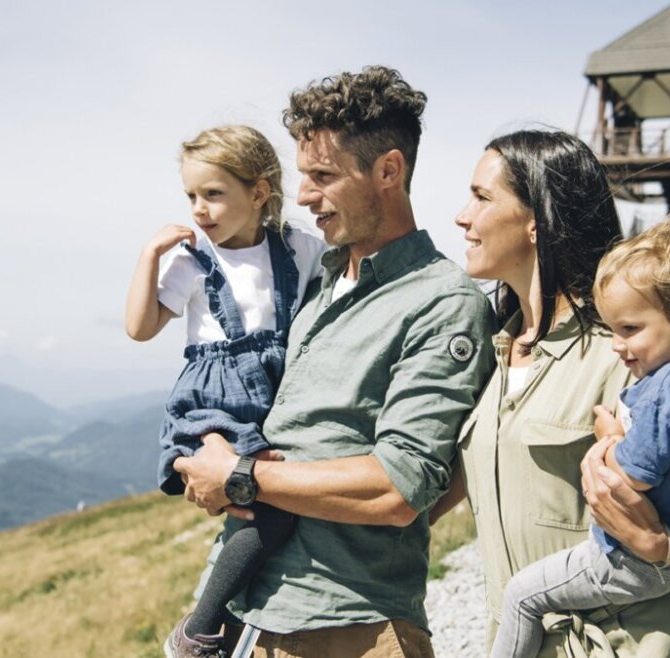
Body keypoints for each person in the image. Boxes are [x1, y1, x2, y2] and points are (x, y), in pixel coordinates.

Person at [431, 129, 670, 658]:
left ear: (538, 219)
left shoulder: (635, 355)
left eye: (482, 197)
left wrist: (667, 547)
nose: (462, 216)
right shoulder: (499, 347)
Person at [171, 65, 496, 657]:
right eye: (302, 175)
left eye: (323, 175)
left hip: (349, 625)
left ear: (388, 172)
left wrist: (240, 477)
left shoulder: (442, 302)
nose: (302, 196)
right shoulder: (315, 281)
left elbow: (402, 487)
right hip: (249, 615)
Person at [490, 220, 670, 658]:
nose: (616, 345)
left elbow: (635, 476)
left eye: (629, 329)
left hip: (632, 561)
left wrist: (610, 439)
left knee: (522, 596)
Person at [124, 125, 328, 657]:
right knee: (273, 509)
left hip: (275, 400)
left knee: (281, 504)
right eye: (192, 196)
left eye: (213, 194)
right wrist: (150, 255)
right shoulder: (191, 261)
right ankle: (200, 629)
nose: (199, 209)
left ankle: (234, 624)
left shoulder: (301, 248)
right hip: (212, 409)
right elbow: (140, 328)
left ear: (259, 192)